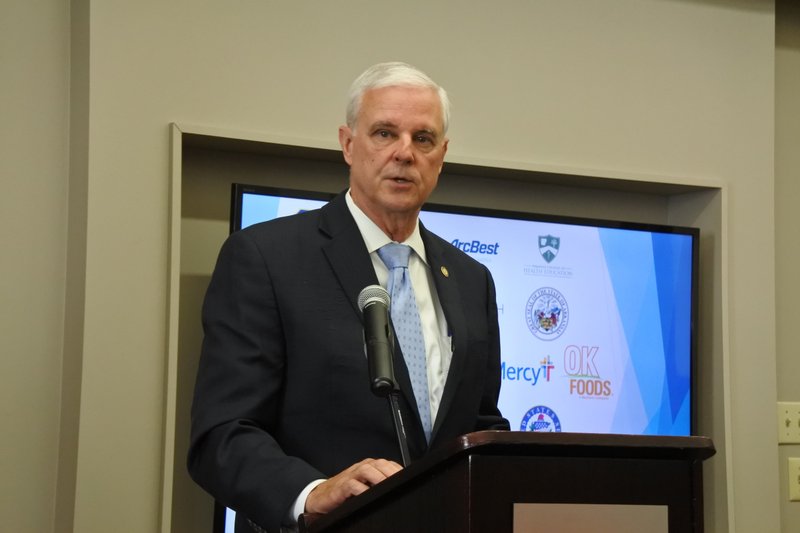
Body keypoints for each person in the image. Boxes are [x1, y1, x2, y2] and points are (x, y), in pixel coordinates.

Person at [188, 61, 509, 533]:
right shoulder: (266, 258)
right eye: (384, 133)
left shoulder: (471, 278)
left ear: (441, 154)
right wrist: (312, 493)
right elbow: (222, 435)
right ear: (348, 144)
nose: (404, 153)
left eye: (422, 139)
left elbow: (479, 422)